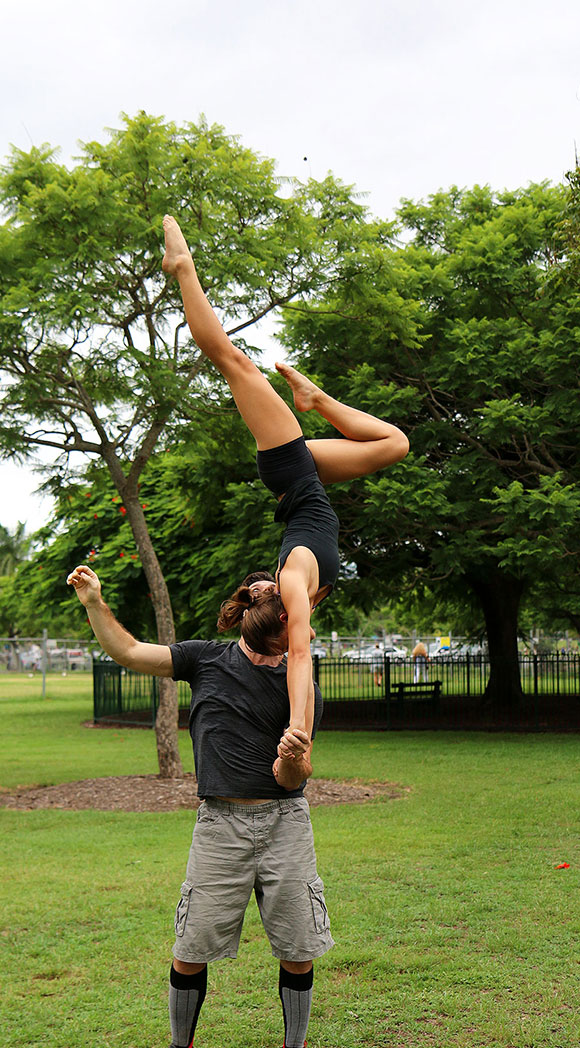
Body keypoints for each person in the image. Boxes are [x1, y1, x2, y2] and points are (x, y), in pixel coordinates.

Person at [67, 563, 331, 1048]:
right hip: (220, 824)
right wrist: (95, 602)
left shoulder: (301, 685)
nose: (276, 604)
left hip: (284, 822)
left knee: (297, 944)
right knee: (190, 945)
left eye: (284, 603)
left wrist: (293, 759)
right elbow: (130, 653)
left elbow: (291, 779)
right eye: (267, 594)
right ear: (249, 606)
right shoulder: (204, 658)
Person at [162, 214, 409, 757]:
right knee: (394, 445)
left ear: (284, 622)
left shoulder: (296, 587)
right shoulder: (299, 597)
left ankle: (183, 269)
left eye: (289, 636)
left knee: (234, 362)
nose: (302, 640)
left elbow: (299, 660)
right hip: (307, 475)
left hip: (291, 471)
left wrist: (299, 728)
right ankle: (315, 400)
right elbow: (294, 647)